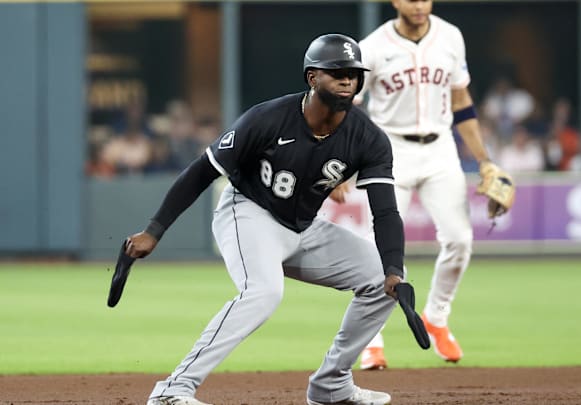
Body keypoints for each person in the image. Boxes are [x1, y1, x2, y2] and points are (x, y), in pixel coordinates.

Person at [123, 33, 405, 405]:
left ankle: (331, 386)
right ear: (312, 78)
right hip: (248, 212)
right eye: (336, 71)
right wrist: (154, 230)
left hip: (303, 227)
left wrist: (394, 269)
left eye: (353, 73)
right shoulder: (268, 118)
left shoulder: (369, 138)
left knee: (378, 279)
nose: (347, 79)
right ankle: (173, 390)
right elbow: (201, 172)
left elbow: (385, 210)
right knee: (263, 292)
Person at [336, 0, 506, 370]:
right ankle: (370, 340)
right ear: (395, 2)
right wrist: (337, 165)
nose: (419, 5)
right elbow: (344, 106)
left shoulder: (450, 37)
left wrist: (484, 160)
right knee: (377, 247)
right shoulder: (373, 47)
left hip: (441, 147)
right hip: (389, 147)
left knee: (460, 239)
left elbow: (461, 102)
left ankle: (437, 318)